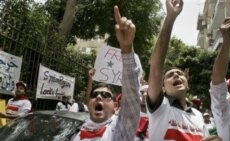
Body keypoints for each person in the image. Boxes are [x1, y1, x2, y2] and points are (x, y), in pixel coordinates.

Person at [71, 5, 141, 141]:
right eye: (95, 95)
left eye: (106, 95)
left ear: (115, 106)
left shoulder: (118, 131)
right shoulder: (77, 132)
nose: (98, 97)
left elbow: (132, 97)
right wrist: (90, 81)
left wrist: (126, 48)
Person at [146, 0, 211, 140]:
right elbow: (156, 70)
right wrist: (170, 18)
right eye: (170, 75)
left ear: (187, 84)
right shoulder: (161, 108)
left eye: (180, 74)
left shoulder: (198, 116)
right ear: (162, 87)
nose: (176, 74)